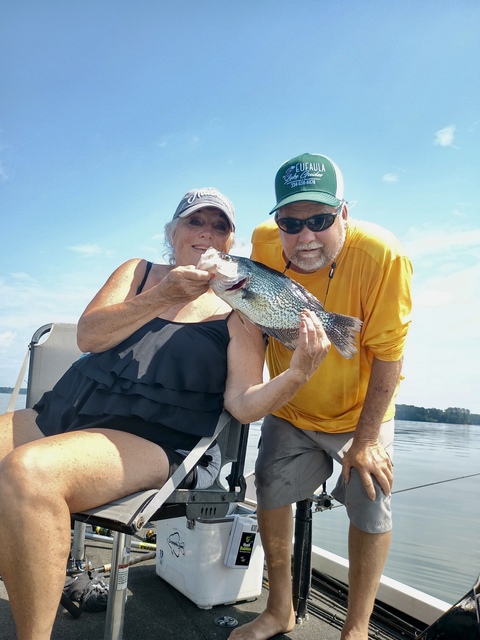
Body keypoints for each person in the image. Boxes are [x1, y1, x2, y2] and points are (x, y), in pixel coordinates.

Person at [0, 186, 331, 640]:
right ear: (172, 231)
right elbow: (89, 338)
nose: (207, 234)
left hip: (154, 437)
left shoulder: (240, 307)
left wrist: (296, 374)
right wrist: (160, 296)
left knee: (27, 473)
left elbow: (241, 404)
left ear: (232, 244)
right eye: (195, 222)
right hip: (66, 410)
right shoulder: (138, 272)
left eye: (221, 226)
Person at [229, 153, 413, 640]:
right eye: (291, 222)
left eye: (320, 220)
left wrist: (367, 440)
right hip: (290, 407)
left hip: (360, 415)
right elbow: (249, 305)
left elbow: (390, 357)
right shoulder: (264, 245)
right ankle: (278, 610)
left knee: (371, 501)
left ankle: (355, 629)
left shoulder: (383, 256)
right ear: (277, 222)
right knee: (270, 490)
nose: (304, 235)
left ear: (344, 214)